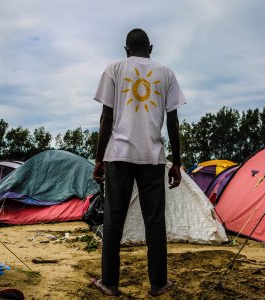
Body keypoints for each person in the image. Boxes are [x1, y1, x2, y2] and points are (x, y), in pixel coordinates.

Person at [91, 28, 186, 297]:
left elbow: (106, 118)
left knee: (113, 221)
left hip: (117, 156)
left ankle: (109, 283)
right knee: (154, 221)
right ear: (151, 49)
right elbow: (173, 121)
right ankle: (158, 284)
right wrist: (176, 163)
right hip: (152, 158)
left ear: (126, 50)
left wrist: (99, 159)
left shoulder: (114, 69)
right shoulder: (166, 73)